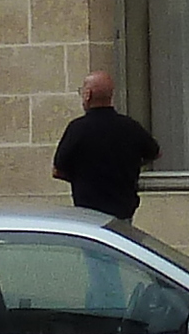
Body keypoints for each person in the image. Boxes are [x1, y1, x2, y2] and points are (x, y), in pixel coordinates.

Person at [50, 71, 161, 226]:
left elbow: (57, 170)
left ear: (88, 95)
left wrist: (82, 178)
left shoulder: (77, 129)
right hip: (123, 212)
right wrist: (132, 166)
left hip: (88, 214)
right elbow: (155, 152)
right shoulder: (130, 127)